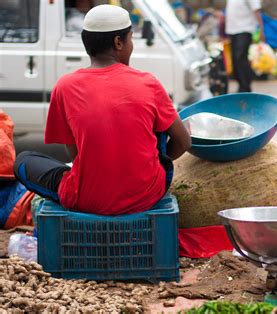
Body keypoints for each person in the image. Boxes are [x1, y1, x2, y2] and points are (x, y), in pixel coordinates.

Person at [13, 5, 191, 216]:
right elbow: (184, 142)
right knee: (162, 123)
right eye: (131, 39)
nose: (131, 45)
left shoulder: (64, 87)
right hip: (146, 196)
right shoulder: (148, 83)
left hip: (86, 200)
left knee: (23, 161)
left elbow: (76, 153)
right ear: (118, 42)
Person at [225, 0, 265, 93]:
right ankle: (241, 85)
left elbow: (257, 11)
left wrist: (261, 31)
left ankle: (245, 86)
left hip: (245, 30)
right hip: (232, 30)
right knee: (235, 59)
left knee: (240, 58)